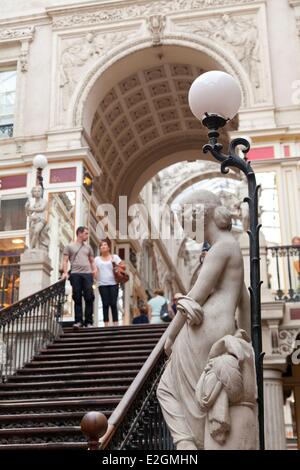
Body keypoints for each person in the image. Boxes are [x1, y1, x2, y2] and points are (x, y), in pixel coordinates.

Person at [157, 190, 252, 450]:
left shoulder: (221, 248)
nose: (187, 232)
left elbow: (194, 297)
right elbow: (244, 299)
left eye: (186, 224)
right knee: (202, 391)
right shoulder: (230, 247)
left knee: (166, 388)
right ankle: (197, 442)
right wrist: (243, 335)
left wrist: (170, 335)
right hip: (222, 327)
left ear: (198, 215)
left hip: (204, 329)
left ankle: (187, 443)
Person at [62, 226, 96, 328]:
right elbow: (65, 260)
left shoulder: (88, 247)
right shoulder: (69, 246)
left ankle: (89, 322)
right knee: (77, 297)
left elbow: (92, 260)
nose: (87, 235)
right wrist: (65, 272)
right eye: (86, 233)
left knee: (89, 297)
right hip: (75, 274)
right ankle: (79, 321)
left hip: (87, 274)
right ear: (80, 233)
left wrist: (94, 270)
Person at [95, 239, 124, 326]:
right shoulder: (97, 259)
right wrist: (94, 278)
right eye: (101, 245)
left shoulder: (114, 257)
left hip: (113, 283)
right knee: (105, 303)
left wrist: (116, 265)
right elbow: (94, 270)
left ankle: (115, 323)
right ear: (100, 249)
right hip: (102, 284)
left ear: (108, 248)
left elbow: (123, 266)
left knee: (113, 303)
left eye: (105, 245)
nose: (103, 246)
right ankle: (106, 324)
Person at [25, 186, 49, 251]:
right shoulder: (35, 204)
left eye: (39, 191)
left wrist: (30, 209)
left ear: (41, 192)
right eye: (35, 191)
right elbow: (28, 213)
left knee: (36, 231)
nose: (37, 193)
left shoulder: (44, 201)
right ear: (33, 193)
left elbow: (41, 209)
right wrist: (26, 207)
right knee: (34, 234)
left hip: (42, 220)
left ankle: (30, 248)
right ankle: (35, 247)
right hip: (35, 220)